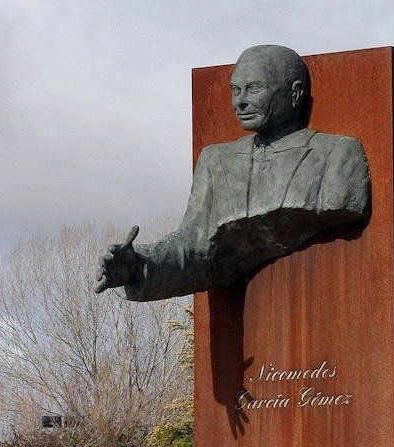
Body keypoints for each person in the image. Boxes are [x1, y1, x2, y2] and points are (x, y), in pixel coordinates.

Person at [95, 45, 369, 301]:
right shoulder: (216, 160)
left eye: (253, 89)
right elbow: (194, 243)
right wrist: (139, 265)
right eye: (236, 90)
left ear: (295, 93)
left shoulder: (336, 154)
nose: (240, 102)